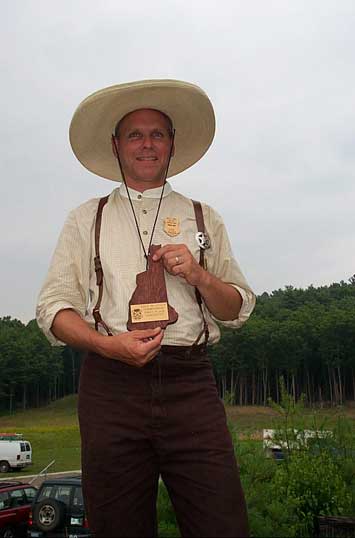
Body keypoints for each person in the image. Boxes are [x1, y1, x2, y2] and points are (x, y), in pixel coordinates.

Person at [36, 79, 256, 538]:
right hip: (110, 387)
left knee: (222, 523)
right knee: (118, 527)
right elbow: (54, 309)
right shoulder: (85, 218)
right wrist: (106, 346)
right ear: (116, 145)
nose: (147, 143)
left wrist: (199, 276)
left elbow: (236, 309)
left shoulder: (203, 216)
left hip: (190, 385)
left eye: (157, 133)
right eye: (135, 134)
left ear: (172, 144)